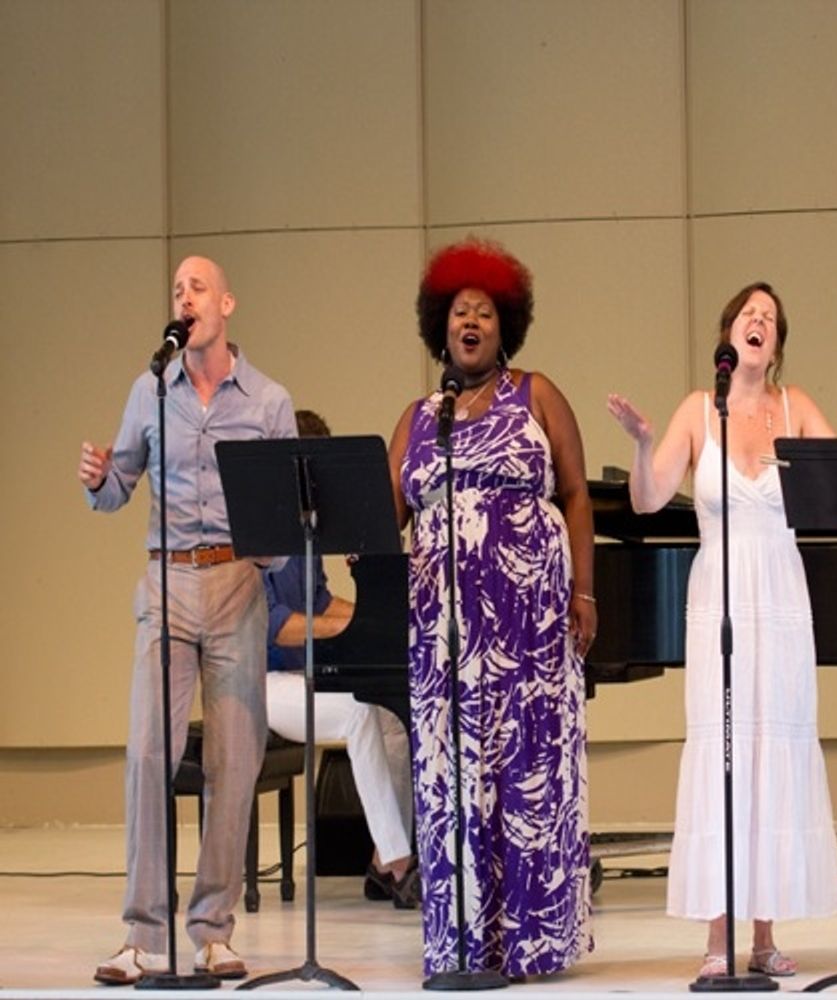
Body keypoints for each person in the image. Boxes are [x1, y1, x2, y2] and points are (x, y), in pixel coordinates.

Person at [607, 282, 837, 979]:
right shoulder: (698, 411)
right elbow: (646, 499)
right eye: (747, 315)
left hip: (782, 597)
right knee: (722, 750)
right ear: (728, 334)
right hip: (720, 597)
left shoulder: (798, 409)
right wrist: (645, 445)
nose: (757, 323)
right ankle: (715, 939)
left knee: (772, 752)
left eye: (768, 318)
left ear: (777, 342)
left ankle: (763, 938)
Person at [79, 256, 296, 985]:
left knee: (234, 764)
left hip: (236, 578)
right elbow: (117, 491)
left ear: (227, 302)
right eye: (176, 289)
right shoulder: (150, 389)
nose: (184, 297)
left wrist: (274, 545)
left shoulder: (267, 401)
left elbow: (290, 508)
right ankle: (140, 934)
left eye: (197, 287)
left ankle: (212, 930)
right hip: (166, 577)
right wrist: (99, 477)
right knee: (148, 754)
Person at [387, 238, 595, 979]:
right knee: (452, 779)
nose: (469, 320)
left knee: (526, 773)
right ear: (439, 330)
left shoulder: (536, 393)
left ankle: (533, 942)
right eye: (456, 312)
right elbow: (385, 521)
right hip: (442, 631)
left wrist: (584, 590)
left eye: (482, 311)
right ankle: (462, 942)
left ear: (504, 326)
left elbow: (574, 494)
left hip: (528, 620)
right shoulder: (418, 417)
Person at [262, 408, 418, 909]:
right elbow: (279, 626)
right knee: (356, 712)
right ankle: (399, 863)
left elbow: (323, 603)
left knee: (393, 717)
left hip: (303, 673)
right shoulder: (257, 533)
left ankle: (383, 858)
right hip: (263, 682)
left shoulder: (306, 532)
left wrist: (388, 615)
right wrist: (359, 631)